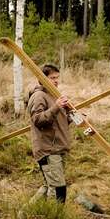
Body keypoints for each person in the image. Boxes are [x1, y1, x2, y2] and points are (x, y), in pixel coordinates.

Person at [26, 64, 71, 203]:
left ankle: (26, 213)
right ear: (42, 79)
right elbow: (38, 120)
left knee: (48, 186)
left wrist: (72, 117)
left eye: (57, 77)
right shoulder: (39, 96)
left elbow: (57, 122)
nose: (56, 81)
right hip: (48, 150)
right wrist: (57, 106)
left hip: (58, 148)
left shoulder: (53, 95)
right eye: (52, 78)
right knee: (58, 189)